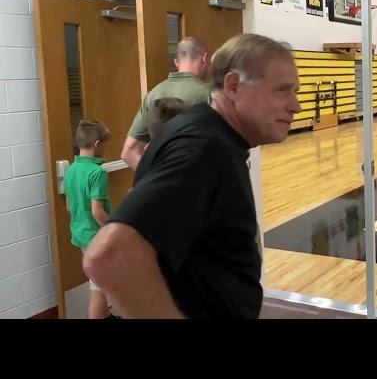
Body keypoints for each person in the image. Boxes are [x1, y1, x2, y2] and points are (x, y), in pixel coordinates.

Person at [83, 33, 302, 319]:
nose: (295, 105)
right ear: (233, 85)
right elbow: (109, 255)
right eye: (283, 90)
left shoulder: (203, 131)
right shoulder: (203, 150)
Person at [121, 37, 211, 171]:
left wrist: (155, 180)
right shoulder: (210, 94)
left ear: (176, 62)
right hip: (200, 183)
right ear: (205, 58)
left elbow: (129, 152)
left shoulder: (153, 95)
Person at [63, 119, 113, 319]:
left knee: (97, 283)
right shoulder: (97, 173)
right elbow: (97, 212)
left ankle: (106, 316)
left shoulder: (72, 170)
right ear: (97, 144)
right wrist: (112, 228)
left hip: (80, 234)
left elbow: (69, 206)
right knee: (98, 291)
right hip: (95, 237)